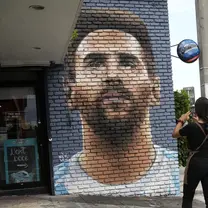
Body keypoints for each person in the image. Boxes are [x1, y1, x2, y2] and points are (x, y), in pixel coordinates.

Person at [53, 8, 178, 196]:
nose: (112, 76)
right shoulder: (55, 182)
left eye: (127, 62)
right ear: (71, 93)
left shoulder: (179, 178)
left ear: (154, 89)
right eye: (94, 63)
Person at [172, 97, 208, 208]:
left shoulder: (191, 127)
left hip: (195, 164)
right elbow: (203, 128)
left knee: (188, 198)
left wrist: (181, 120)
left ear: (196, 110)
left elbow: (175, 134)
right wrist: (196, 122)